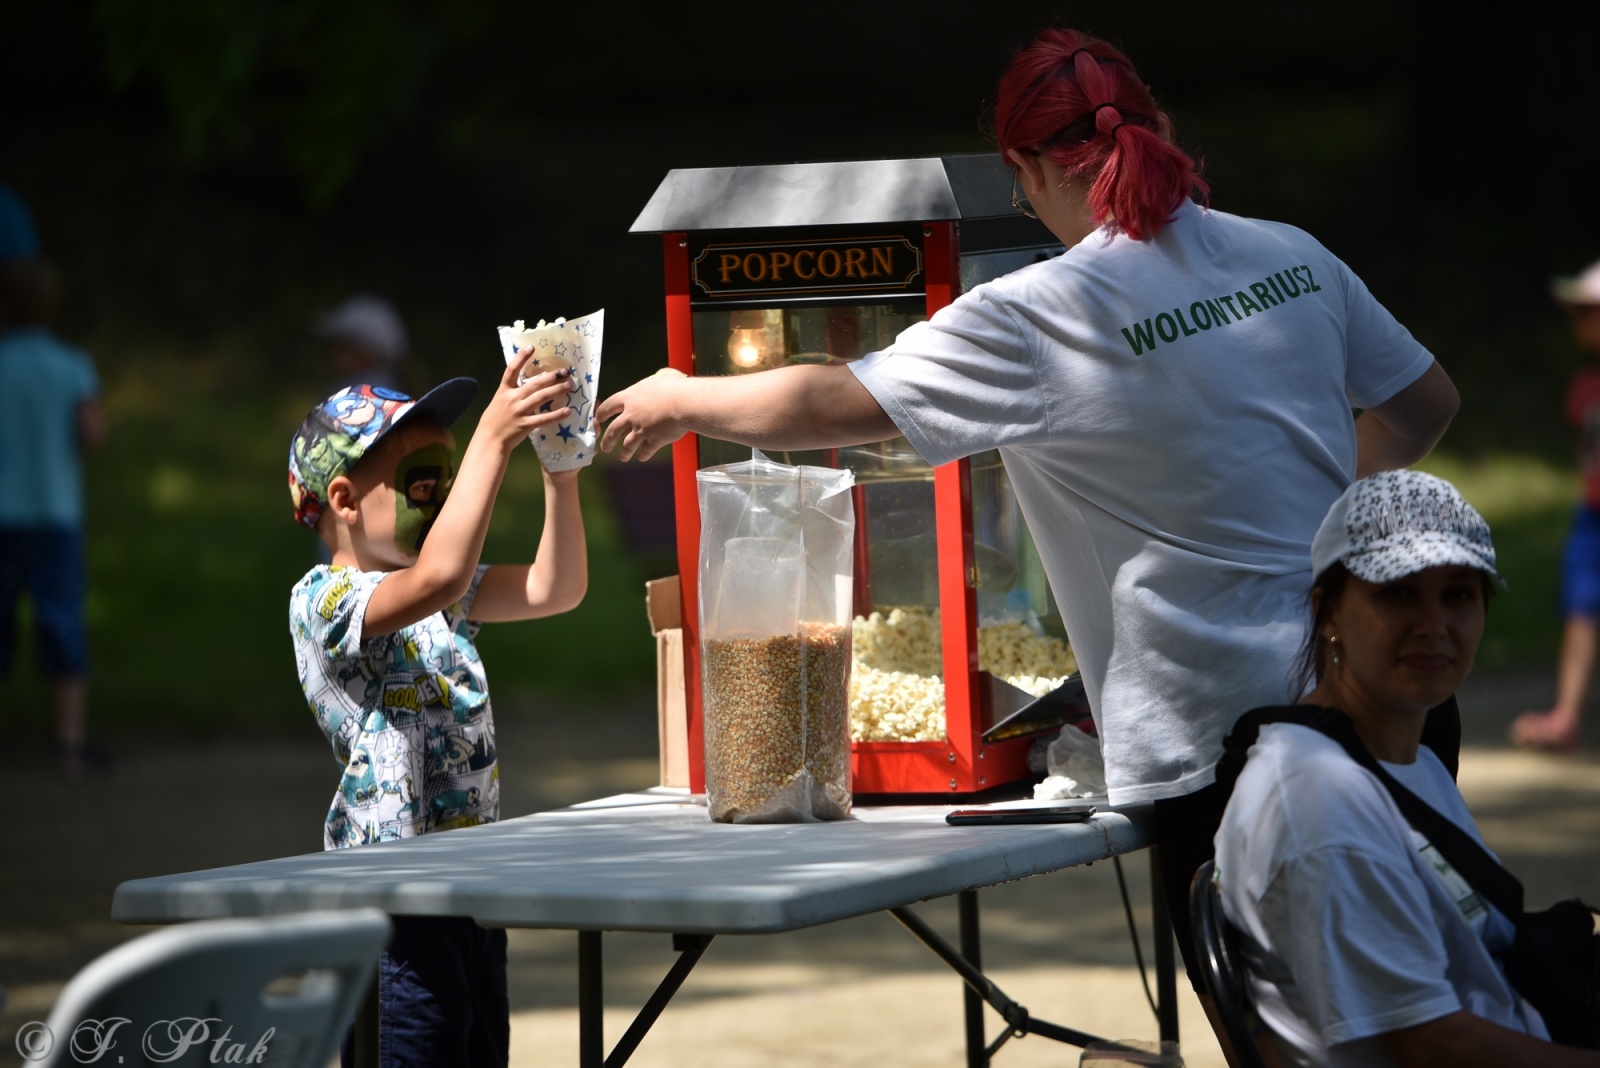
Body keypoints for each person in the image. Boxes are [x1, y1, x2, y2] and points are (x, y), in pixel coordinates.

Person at [595, 25, 1458, 986]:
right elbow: (1425, 405)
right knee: (1439, 1002)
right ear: (1158, 129)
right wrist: (1320, 527)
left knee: (1310, 1041)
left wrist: (681, 394)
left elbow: (833, 402)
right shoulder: (1291, 255)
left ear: (1025, 167)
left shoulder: (1046, 310)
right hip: (1386, 701)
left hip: (1227, 749)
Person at [1212, 470, 1600, 1067]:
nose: (1433, 624)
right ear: (1327, 612)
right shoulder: (1318, 797)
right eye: (1397, 592)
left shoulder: (1408, 761)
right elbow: (1431, 1045)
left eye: (1458, 595)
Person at [287, 359, 587, 1067]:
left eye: (445, 481)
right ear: (344, 499)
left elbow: (556, 588)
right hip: (389, 906)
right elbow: (441, 575)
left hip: (469, 887)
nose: (444, 499)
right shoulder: (324, 601)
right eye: (422, 483)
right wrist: (492, 440)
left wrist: (560, 472)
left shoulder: (435, 594)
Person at [0, 183, 107, 780]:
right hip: (54, 514)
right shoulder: (71, 364)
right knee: (61, 623)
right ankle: (69, 747)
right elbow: (91, 435)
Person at [1511, 260, 1600, 752]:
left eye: (1588, 311)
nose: (1578, 321)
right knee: (1581, 609)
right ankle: (1566, 715)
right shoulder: (1585, 385)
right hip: (1591, 514)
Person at [315, 292, 410, 394]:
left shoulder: (377, 396)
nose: (333, 352)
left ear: (370, 350)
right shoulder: (340, 387)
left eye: (345, 345)